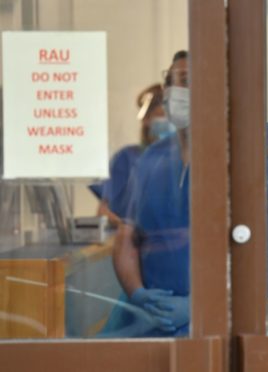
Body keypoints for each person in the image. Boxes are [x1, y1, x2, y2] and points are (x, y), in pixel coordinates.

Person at [105, 50, 190, 337]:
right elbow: (127, 238)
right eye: (179, 81)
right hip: (150, 317)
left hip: (212, 319)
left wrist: (200, 304)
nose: (185, 91)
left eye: (195, 81)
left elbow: (256, 253)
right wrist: (139, 294)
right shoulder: (150, 160)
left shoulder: (236, 159)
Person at [90, 83, 175, 227]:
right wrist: (128, 230)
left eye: (172, 117)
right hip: (133, 242)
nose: (168, 122)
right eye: (161, 116)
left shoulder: (183, 160)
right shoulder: (127, 158)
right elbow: (103, 212)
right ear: (146, 120)